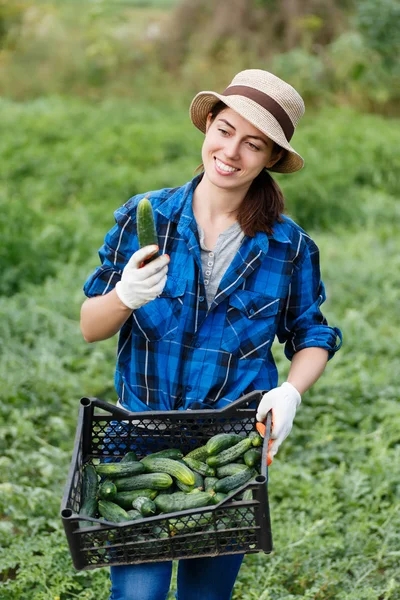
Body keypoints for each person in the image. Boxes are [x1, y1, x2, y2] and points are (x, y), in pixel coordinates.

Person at [80, 69, 342, 600]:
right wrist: (124, 296)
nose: (231, 152)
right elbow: (91, 326)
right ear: (207, 128)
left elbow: (312, 332)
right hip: (137, 441)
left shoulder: (288, 247)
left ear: (270, 158)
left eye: (253, 143)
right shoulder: (144, 216)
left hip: (230, 454)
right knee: (138, 596)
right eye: (224, 130)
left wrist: (292, 390)